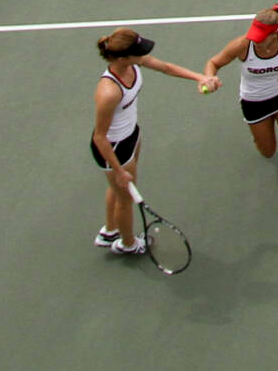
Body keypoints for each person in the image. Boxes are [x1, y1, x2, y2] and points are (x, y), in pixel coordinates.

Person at [89, 26, 214, 256]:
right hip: (113, 148)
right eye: (139, 51)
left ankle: (110, 231)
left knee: (118, 192)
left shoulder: (134, 63)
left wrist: (200, 77)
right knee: (125, 199)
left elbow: (166, 68)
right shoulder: (108, 92)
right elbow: (99, 136)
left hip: (131, 135)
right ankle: (128, 244)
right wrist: (118, 170)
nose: (143, 54)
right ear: (123, 57)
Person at [198, 6, 278, 200]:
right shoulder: (242, 45)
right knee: (268, 151)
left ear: (274, 35)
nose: (255, 40)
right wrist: (209, 77)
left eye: (261, 36)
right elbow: (213, 63)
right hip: (254, 102)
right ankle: (261, 136)